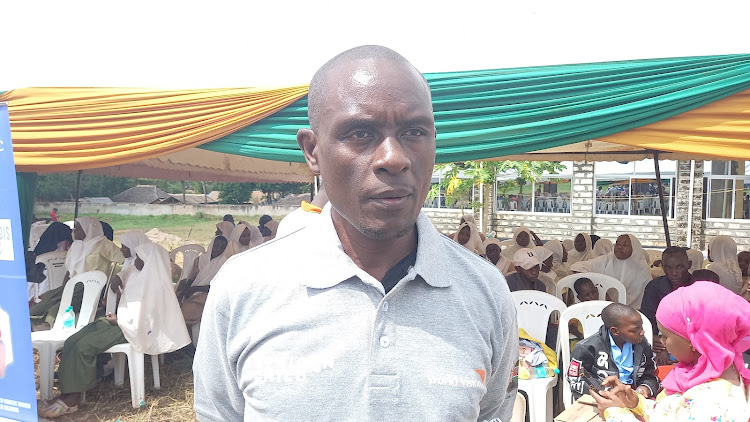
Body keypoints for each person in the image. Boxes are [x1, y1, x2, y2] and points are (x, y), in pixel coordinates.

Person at [193, 45, 518, 421]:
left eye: (414, 131)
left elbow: (493, 412)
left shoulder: (486, 293)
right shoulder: (243, 288)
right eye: (361, 133)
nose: (393, 158)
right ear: (312, 151)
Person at [37, 242, 190, 418]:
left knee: (84, 346)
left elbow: (150, 321)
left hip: (134, 331)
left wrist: (120, 320)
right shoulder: (138, 273)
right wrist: (118, 283)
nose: (136, 260)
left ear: (148, 260)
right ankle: (65, 392)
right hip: (122, 322)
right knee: (72, 340)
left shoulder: (157, 284)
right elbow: (126, 275)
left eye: (139, 257)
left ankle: (73, 397)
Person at [590, 282, 750, 421]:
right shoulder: (723, 368)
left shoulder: (709, 401)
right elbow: (676, 413)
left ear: (694, 341)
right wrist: (637, 403)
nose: (662, 341)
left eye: (666, 335)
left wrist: (614, 413)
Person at [30, 217, 124, 329]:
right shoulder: (76, 245)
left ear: (87, 230)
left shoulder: (102, 244)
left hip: (92, 286)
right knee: (49, 299)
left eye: (78, 228)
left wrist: (116, 277)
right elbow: (69, 270)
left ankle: (48, 324)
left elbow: (123, 259)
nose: (74, 231)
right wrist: (65, 286)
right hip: (74, 283)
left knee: (62, 305)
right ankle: (33, 322)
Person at [567, 303, 660, 401]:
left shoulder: (641, 345)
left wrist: (645, 387)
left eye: (641, 327)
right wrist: (607, 391)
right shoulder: (587, 348)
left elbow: (650, 374)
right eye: (635, 330)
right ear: (615, 331)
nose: (642, 332)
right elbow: (576, 380)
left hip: (634, 396)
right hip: (601, 399)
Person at [639, 247, 694, 366]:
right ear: (663, 267)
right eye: (668, 268)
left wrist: (673, 344)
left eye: (679, 267)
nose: (674, 273)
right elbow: (647, 319)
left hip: (693, 341)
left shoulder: (697, 285)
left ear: (689, 265)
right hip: (661, 340)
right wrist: (653, 339)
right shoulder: (654, 287)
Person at [589, 234, 652, 309]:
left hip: (635, 313)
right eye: (617, 244)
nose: (619, 247)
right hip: (605, 310)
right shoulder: (607, 260)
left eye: (625, 245)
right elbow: (578, 267)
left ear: (634, 248)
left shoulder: (642, 272)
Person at [179, 235, 231, 326]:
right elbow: (192, 278)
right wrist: (186, 290)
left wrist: (195, 289)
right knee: (176, 303)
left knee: (185, 314)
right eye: (216, 246)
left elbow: (218, 287)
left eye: (221, 248)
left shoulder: (225, 263)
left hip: (210, 295)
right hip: (194, 292)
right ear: (211, 245)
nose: (218, 249)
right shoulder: (200, 260)